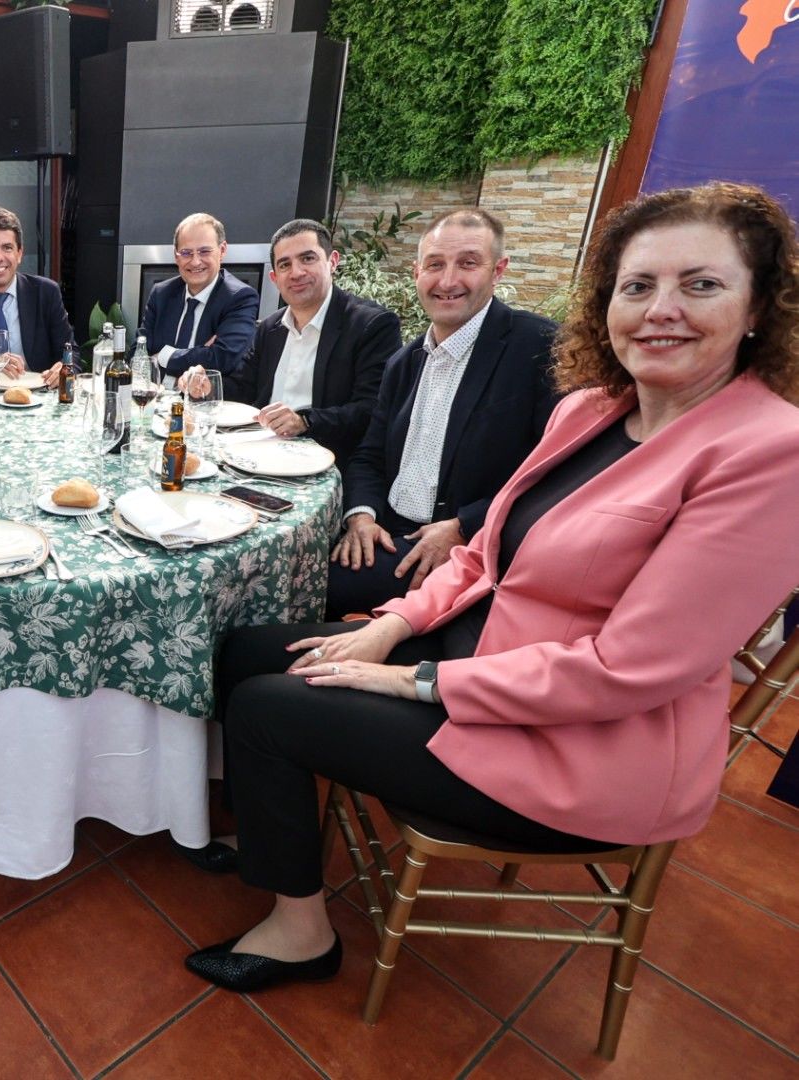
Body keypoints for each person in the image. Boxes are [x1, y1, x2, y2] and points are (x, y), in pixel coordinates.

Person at [186, 182, 799, 996]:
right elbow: (483, 553)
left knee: (267, 708)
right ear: (606, 302)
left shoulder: (767, 453)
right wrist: (391, 626)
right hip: (482, 654)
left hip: (575, 747)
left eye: (703, 284)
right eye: (638, 285)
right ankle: (270, 836)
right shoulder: (594, 408)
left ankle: (302, 933)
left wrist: (411, 677)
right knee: (249, 647)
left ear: (760, 306)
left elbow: (626, 670)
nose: (662, 310)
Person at [329, 209, 559, 618]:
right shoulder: (405, 361)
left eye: (468, 263)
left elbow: (560, 475)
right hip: (388, 531)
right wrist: (361, 516)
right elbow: (369, 454)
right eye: (435, 265)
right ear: (417, 272)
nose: (449, 280)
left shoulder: (540, 348)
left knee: (306, 584)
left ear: (498, 270)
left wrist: (464, 526)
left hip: (471, 550)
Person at [245, 218, 402, 462]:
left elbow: (372, 408)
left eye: (307, 258)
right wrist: (205, 382)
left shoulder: (371, 325)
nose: (296, 273)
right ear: (275, 278)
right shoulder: (269, 327)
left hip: (327, 462)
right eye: (285, 265)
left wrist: (305, 420)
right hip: (260, 455)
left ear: (333, 262)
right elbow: (242, 385)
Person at [142, 211, 261, 403]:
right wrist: (202, 352)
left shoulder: (239, 297)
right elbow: (137, 353)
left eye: (204, 251)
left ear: (222, 251)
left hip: (201, 406)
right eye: (187, 253)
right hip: (154, 401)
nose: (195, 261)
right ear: (176, 257)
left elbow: (222, 358)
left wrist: (163, 355)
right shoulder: (161, 293)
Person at [0, 205, 73, 384]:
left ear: (19, 254)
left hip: (38, 395)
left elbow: (72, 351)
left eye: (7, 248)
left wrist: (64, 367)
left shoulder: (46, 292)